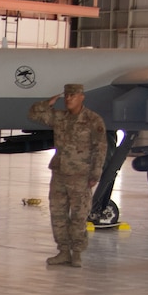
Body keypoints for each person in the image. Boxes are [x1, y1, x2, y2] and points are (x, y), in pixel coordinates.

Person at [28, 83, 115, 267]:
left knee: (79, 216)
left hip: (81, 175)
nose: (68, 99)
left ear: (82, 97)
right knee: (57, 214)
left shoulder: (93, 120)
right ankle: (63, 251)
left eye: (73, 95)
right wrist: (49, 102)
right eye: (66, 95)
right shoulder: (59, 118)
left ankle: (77, 253)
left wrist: (96, 173)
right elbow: (34, 114)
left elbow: (101, 148)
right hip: (59, 173)